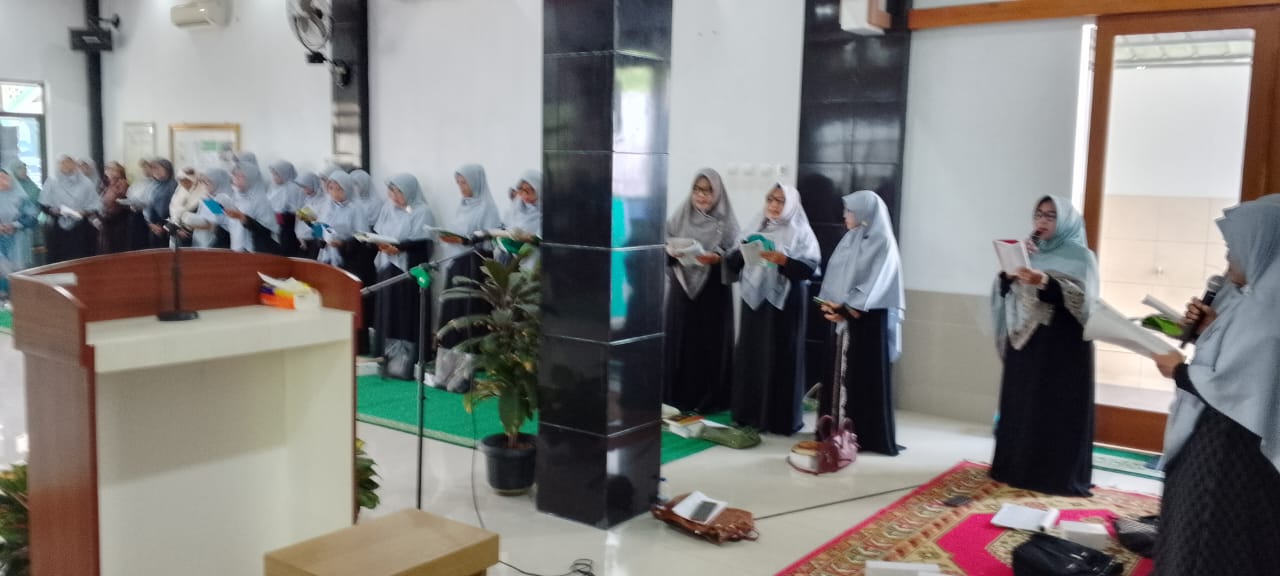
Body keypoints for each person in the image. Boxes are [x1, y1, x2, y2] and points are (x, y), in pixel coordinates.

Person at [1148, 199, 1280, 576]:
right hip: (1218, 430)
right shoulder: (1247, 296)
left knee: (1209, 527)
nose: (1228, 258)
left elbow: (1237, 383)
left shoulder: (1269, 309)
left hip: (1231, 442)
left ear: (1261, 245)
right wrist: (1207, 328)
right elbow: (1238, 358)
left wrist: (1178, 371)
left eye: (1234, 248)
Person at [989, 195, 1098, 496]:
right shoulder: (1029, 251)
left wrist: (1046, 282)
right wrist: (1009, 272)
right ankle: (1015, 467)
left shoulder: (1082, 257)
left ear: (1065, 221)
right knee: (1023, 404)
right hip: (1025, 343)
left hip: (1062, 348)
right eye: (1039, 214)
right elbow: (1005, 292)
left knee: (1053, 409)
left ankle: (1051, 474)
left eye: (1051, 216)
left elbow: (1086, 304)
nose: (1042, 221)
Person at [816, 190, 905, 455]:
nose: (845, 215)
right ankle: (835, 429)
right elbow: (835, 276)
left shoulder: (883, 241)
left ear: (866, 213)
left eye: (850, 211)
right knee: (840, 374)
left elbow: (877, 282)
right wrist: (830, 304)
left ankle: (865, 434)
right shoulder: (850, 239)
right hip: (844, 317)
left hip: (869, 321)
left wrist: (848, 308)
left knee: (864, 376)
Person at [727, 184, 820, 435]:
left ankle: (779, 419)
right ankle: (748, 415)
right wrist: (744, 251)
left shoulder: (800, 232)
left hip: (786, 304)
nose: (774, 205)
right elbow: (732, 263)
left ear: (790, 204)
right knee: (752, 355)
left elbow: (811, 269)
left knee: (781, 357)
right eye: (770, 199)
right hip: (754, 301)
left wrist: (783, 260)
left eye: (780, 201)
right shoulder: (756, 226)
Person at [663, 169, 740, 413]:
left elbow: (736, 256)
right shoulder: (680, 216)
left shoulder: (726, 222)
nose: (701, 196)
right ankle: (676, 398)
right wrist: (671, 252)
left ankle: (710, 400)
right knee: (681, 341)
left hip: (712, 293)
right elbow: (663, 245)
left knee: (708, 346)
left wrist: (717, 259)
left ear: (717, 193)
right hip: (682, 290)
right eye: (697, 189)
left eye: (707, 191)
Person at [435, 164, 504, 392]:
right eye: (459, 183)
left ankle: (464, 376)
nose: (461, 187)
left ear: (475, 181)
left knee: (467, 317)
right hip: (456, 264)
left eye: (464, 182)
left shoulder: (488, 208)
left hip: (474, 267)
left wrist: (464, 240)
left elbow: (489, 239)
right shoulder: (462, 206)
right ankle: (446, 373)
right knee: (451, 316)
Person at [372, 173, 437, 363]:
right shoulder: (388, 208)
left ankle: (407, 358)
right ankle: (386, 354)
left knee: (406, 311)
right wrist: (379, 244)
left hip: (408, 270)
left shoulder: (422, 211)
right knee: (387, 309)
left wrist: (399, 248)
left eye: (398, 191)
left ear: (409, 191)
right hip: (388, 265)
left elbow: (424, 242)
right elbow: (378, 232)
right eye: (391, 191)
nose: (394, 196)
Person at [39, 155, 101, 262]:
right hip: (58, 230)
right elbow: (43, 204)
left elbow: (95, 205)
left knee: (80, 261)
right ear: (58, 166)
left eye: (69, 162)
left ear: (74, 164)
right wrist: (53, 211)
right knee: (58, 262)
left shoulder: (86, 183)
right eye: (63, 163)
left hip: (81, 230)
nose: (66, 165)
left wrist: (84, 212)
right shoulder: (52, 182)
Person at [315, 170, 370, 276]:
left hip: (349, 259)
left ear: (347, 188)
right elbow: (319, 227)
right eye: (331, 188)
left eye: (339, 189)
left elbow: (363, 236)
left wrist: (343, 243)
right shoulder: (327, 207)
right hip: (328, 255)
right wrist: (322, 240)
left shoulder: (355, 209)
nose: (335, 193)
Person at [220, 161, 281, 254]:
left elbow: (266, 231)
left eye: (241, 176)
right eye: (235, 175)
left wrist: (243, 218)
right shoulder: (235, 197)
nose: (236, 178)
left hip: (257, 252)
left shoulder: (261, 200)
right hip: (237, 249)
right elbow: (231, 225)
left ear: (251, 178)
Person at [0, 168, 40, 279]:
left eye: (4, 177)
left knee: (19, 275)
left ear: (11, 178)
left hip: (18, 242)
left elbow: (33, 217)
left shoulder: (21, 198)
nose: (1, 181)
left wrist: (15, 225)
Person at [183, 168, 232, 249]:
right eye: (203, 182)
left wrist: (193, 222)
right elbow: (202, 217)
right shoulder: (208, 197)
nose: (204, 185)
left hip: (218, 243)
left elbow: (214, 224)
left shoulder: (223, 198)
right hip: (203, 241)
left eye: (207, 182)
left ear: (217, 182)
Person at [7, 160, 44, 266]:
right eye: (20, 168)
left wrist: (22, 222)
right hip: (8, 229)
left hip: (28, 227)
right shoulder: (8, 188)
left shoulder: (32, 186)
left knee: (26, 259)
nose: (24, 171)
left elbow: (38, 207)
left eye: (25, 168)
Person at [268, 161, 304, 257]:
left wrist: (279, 217)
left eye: (277, 174)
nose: (274, 177)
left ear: (285, 174)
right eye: (273, 174)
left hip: (290, 231)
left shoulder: (294, 188)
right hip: (275, 228)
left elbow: (301, 213)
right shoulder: (274, 188)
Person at [144, 159, 179, 249]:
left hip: (167, 227)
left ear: (167, 169)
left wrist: (163, 226)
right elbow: (147, 205)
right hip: (153, 227)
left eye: (159, 168)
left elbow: (174, 209)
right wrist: (150, 224)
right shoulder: (153, 185)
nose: (156, 171)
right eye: (154, 169)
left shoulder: (173, 185)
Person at [98, 161, 131, 254]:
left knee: (118, 246)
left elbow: (123, 196)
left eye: (113, 169)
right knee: (107, 246)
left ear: (120, 171)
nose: (110, 172)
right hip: (107, 217)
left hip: (119, 218)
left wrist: (114, 191)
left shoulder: (122, 182)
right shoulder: (106, 183)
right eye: (108, 169)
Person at [168, 167, 206, 244]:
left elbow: (212, 220)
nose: (183, 184)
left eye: (186, 181)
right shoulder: (180, 190)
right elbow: (173, 208)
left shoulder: (205, 193)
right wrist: (177, 228)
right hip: (178, 229)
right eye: (180, 181)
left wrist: (188, 229)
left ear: (194, 180)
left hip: (197, 233)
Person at [294, 172, 328, 259]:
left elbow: (320, 223)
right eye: (303, 187)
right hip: (303, 242)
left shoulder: (324, 201)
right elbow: (300, 224)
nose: (305, 190)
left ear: (314, 184)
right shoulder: (306, 200)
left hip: (316, 243)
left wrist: (304, 215)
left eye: (306, 187)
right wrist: (300, 237)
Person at [125, 158, 156, 251]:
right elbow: (130, 193)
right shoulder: (139, 182)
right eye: (143, 168)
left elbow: (151, 200)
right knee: (135, 242)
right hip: (135, 214)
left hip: (148, 215)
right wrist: (130, 202)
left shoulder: (155, 183)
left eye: (147, 167)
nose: (145, 170)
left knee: (144, 243)